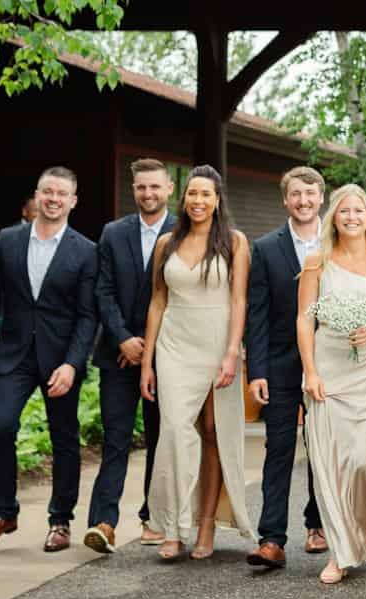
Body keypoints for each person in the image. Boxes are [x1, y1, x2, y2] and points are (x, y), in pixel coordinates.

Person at [0, 167, 98, 552]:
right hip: (14, 355)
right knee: (1, 428)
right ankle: (4, 512)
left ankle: (60, 521)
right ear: (37, 196)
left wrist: (73, 364)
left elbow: (88, 315)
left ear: (73, 201)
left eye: (62, 193)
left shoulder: (86, 251)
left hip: (60, 361)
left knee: (64, 440)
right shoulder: (8, 240)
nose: (54, 199)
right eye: (47, 191)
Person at [139, 165, 255, 562]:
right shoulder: (167, 244)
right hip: (174, 346)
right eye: (192, 194)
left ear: (217, 200)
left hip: (217, 344)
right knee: (173, 429)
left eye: (206, 194)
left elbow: (239, 300)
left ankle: (205, 524)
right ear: (183, 199)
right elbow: (157, 301)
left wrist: (231, 352)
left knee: (212, 433)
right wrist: (147, 362)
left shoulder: (234, 242)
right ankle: (173, 527)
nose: (199, 201)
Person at [299, 184, 366, 583]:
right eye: (344, 211)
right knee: (329, 461)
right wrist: (310, 371)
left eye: (357, 210)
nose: (351, 217)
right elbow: (303, 319)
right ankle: (340, 550)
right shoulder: (317, 261)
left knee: (362, 458)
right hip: (328, 366)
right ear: (334, 216)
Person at [82, 158, 175, 554]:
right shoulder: (113, 233)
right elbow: (102, 291)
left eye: (155, 187)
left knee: (160, 438)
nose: (148, 194)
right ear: (133, 189)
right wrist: (123, 339)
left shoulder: (184, 232)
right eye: (141, 187)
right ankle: (103, 522)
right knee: (116, 439)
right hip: (117, 355)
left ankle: (152, 517)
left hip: (168, 355)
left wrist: (150, 348)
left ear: (169, 188)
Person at [243, 166, 329, 570]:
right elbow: (255, 314)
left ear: (321, 199)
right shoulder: (264, 247)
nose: (303, 201)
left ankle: (318, 524)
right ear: (285, 199)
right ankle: (272, 539)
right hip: (278, 363)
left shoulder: (336, 244)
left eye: (310, 195)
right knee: (278, 448)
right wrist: (255, 371)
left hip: (326, 363)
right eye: (296, 195)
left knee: (321, 446)